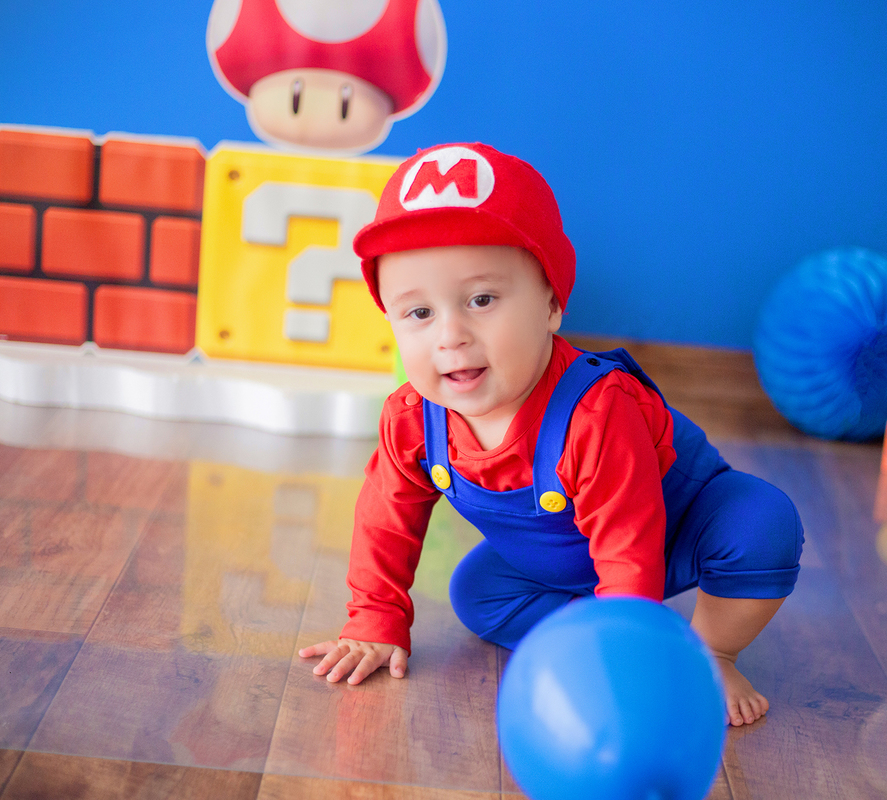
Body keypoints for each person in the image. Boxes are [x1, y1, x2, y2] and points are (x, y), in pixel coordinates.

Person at [299, 143, 803, 726]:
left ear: (552, 305)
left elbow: (628, 543)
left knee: (761, 523)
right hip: (563, 560)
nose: (450, 336)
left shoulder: (595, 412)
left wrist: (621, 667)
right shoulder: (413, 417)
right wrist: (374, 619)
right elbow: (385, 520)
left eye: (481, 300)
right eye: (418, 313)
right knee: (477, 594)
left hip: (671, 531)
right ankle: (604, 623)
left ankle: (709, 650)